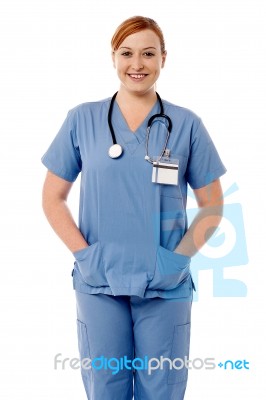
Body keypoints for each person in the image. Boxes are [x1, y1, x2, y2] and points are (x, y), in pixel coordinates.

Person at [41, 15, 226, 400]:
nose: (137, 64)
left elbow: (212, 205)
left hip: (165, 285)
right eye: (127, 53)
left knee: (162, 389)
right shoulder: (82, 119)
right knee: (105, 388)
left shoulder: (186, 124)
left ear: (163, 58)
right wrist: (84, 255)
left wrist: (176, 262)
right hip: (99, 283)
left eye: (148, 53)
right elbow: (52, 197)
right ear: (113, 57)